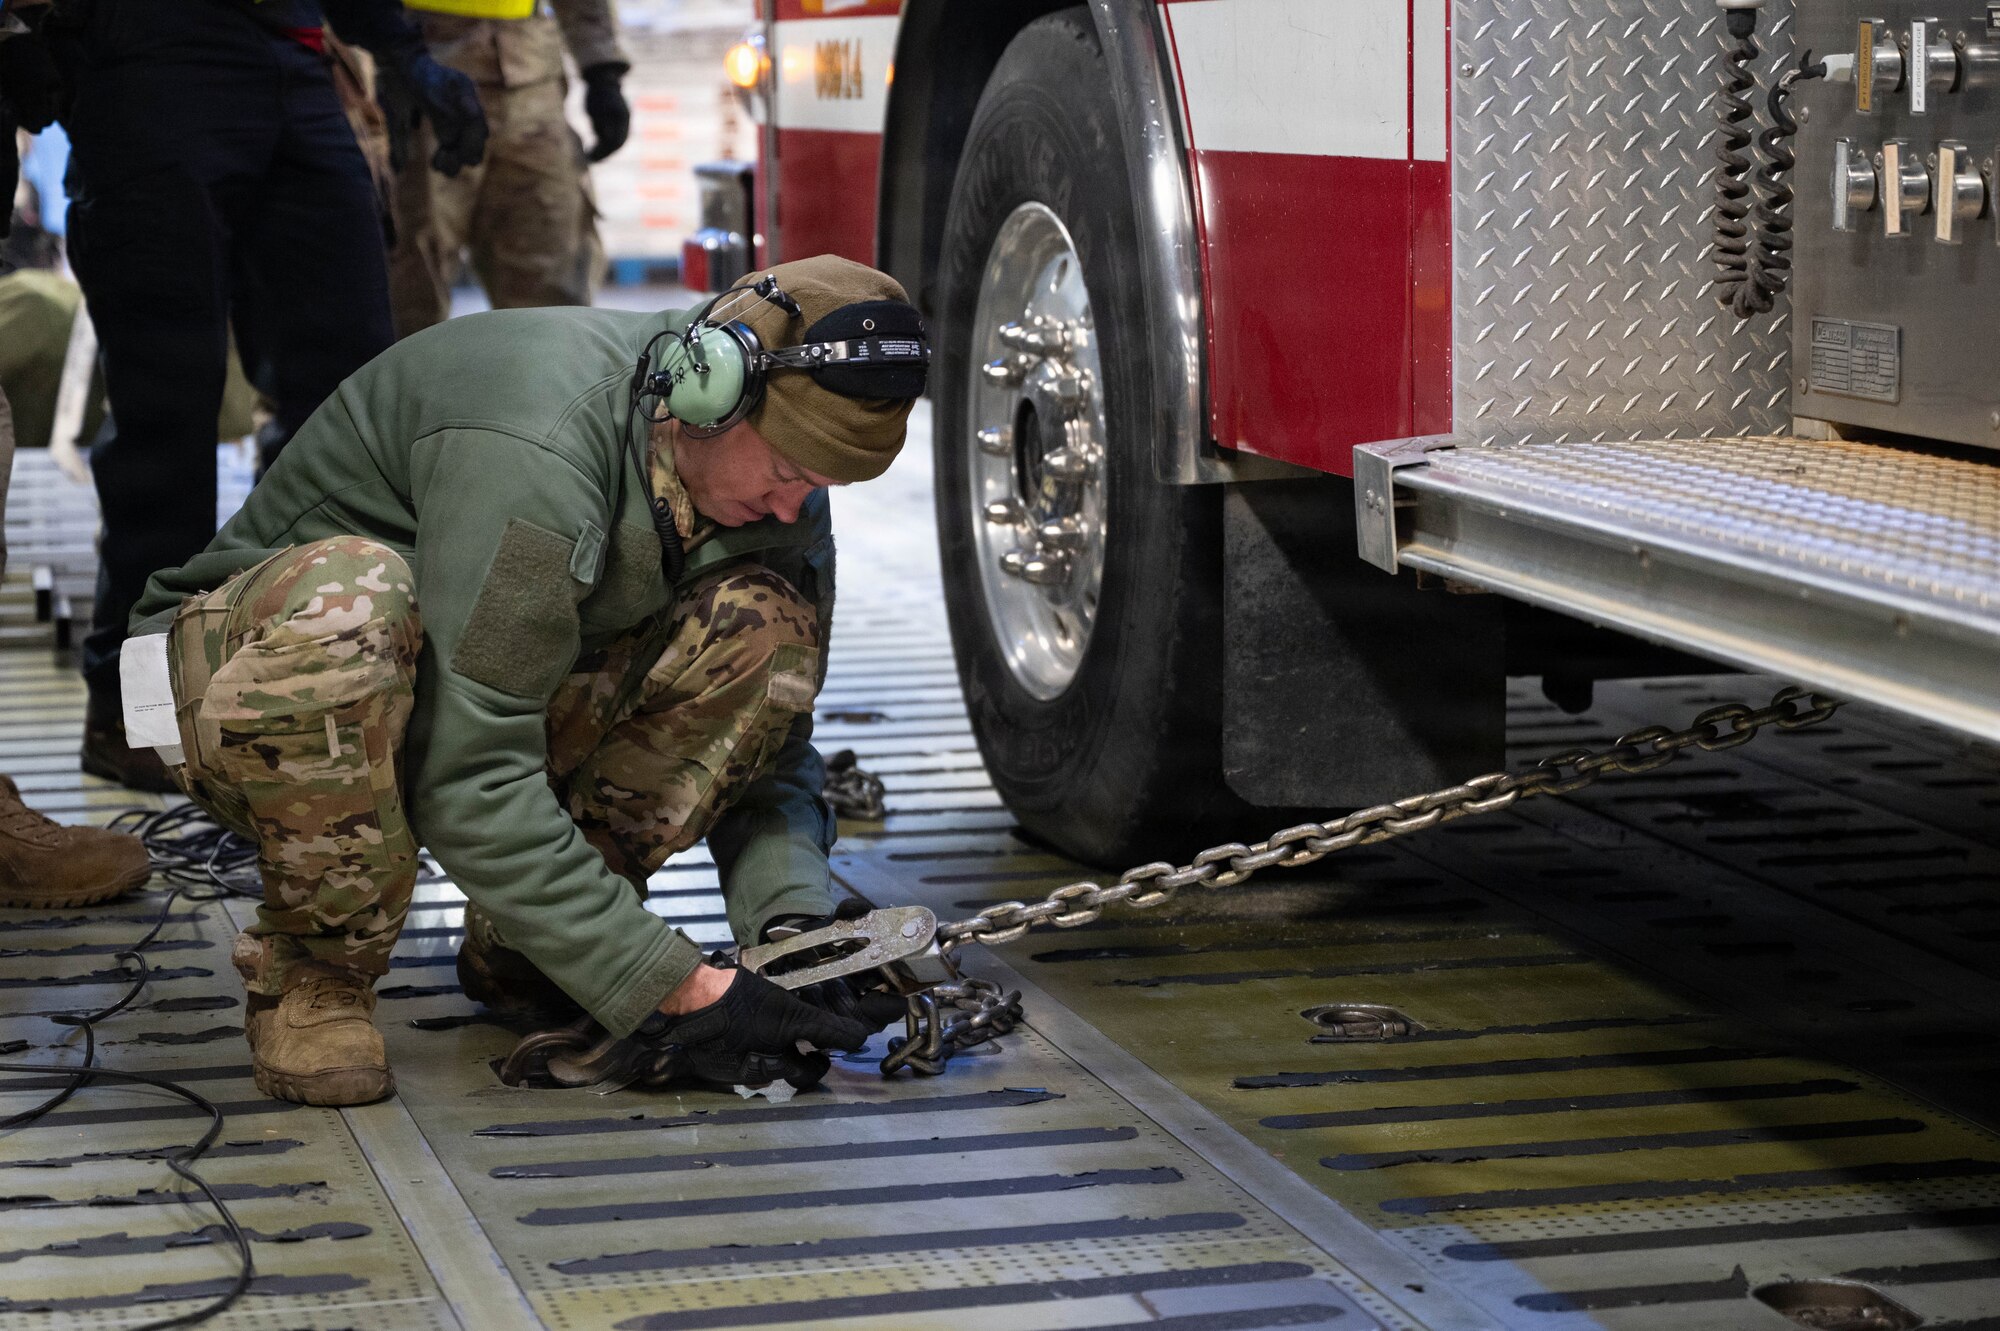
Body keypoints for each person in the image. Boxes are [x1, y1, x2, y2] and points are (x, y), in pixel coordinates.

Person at [129, 255, 927, 1106]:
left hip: (438, 680)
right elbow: (471, 775)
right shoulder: (539, 444)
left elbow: (772, 752)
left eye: (818, 488)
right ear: (708, 394)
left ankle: (535, 945)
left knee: (762, 626)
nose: (791, 507)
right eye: (787, 475)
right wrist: (673, 988)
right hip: (234, 679)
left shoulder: (784, 489)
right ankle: (314, 971)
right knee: (357, 602)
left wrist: (794, 933)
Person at [15, 0, 487, 794]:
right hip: (148, 51)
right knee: (167, 417)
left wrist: (403, 50)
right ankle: (135, 715)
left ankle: (309, 688)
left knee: (351, 402)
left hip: (293, 52)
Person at [385, 0, 629, 337]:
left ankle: (547, 387)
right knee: (411, 281)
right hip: (416, 73)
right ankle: (403, 387)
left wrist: (602, 70)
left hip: (530, 81)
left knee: (551, 290)